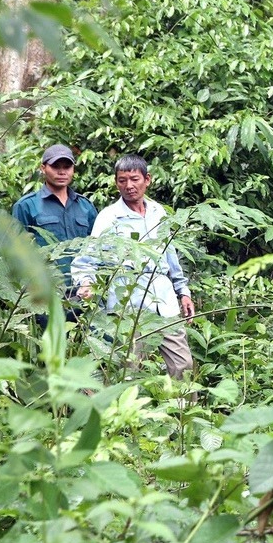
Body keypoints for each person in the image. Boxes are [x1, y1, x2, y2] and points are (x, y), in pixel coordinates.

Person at [72, 154, 195, 381]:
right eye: (122, 180)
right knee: (129, 372)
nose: (129, 186)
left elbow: (170, 255)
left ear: (147, 180)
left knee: (183, 365)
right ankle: (130, 416)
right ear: (116, 182)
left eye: (134, 179)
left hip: (164, 304)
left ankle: (181, 412)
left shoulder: (159, 212)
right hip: (128, 307)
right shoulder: (109, 217)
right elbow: (86, 259)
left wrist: (183, 292)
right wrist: (86, 283)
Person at [12, 143, 98, 281]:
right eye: (55, 167)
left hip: (84, 290)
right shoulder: (26, 206)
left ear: (73, 169)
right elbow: (17, 252)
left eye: (67, 167)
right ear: (43, 168)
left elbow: (97, 249)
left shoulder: (86, 206)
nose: (62, 172)